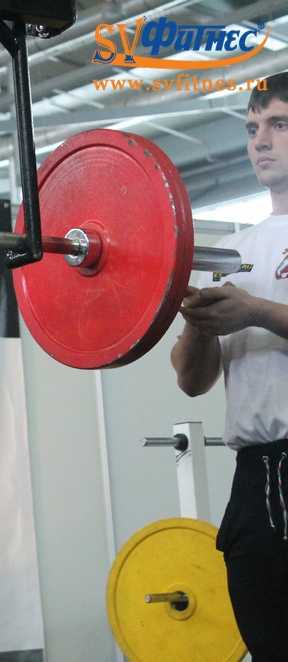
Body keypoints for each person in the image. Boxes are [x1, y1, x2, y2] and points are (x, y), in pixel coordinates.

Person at [170, 72, 288, 662]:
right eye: (251, 128)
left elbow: (257, 314)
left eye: (278, 125)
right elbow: (191, 381)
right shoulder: (230, 252)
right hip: (254, 478)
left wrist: (257, 311)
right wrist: (198, 317)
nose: (260, 140)